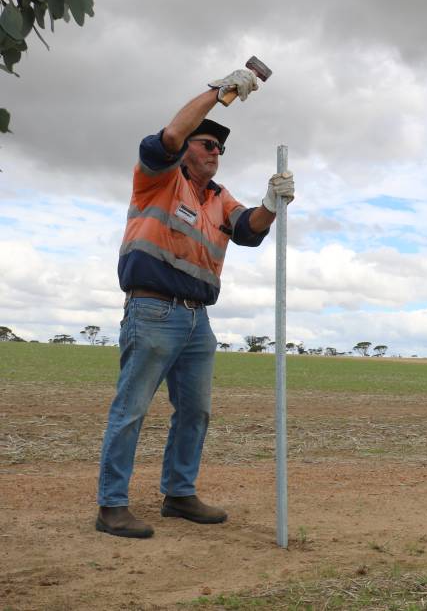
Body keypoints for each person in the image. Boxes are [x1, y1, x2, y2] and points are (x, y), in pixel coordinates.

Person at [95, 70, 295, 538]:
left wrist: (272, 201)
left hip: (196, 321)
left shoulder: (219, 198)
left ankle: (179, 494)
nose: (215, 153)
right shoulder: (158, 179)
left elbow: (249, 228)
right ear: (187, 148)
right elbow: (168, 135)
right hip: (152, 311)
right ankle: (111, 506)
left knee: (196, 411)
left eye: (220, 150)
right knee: (131, 409)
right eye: (207, 144)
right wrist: (217, 94)